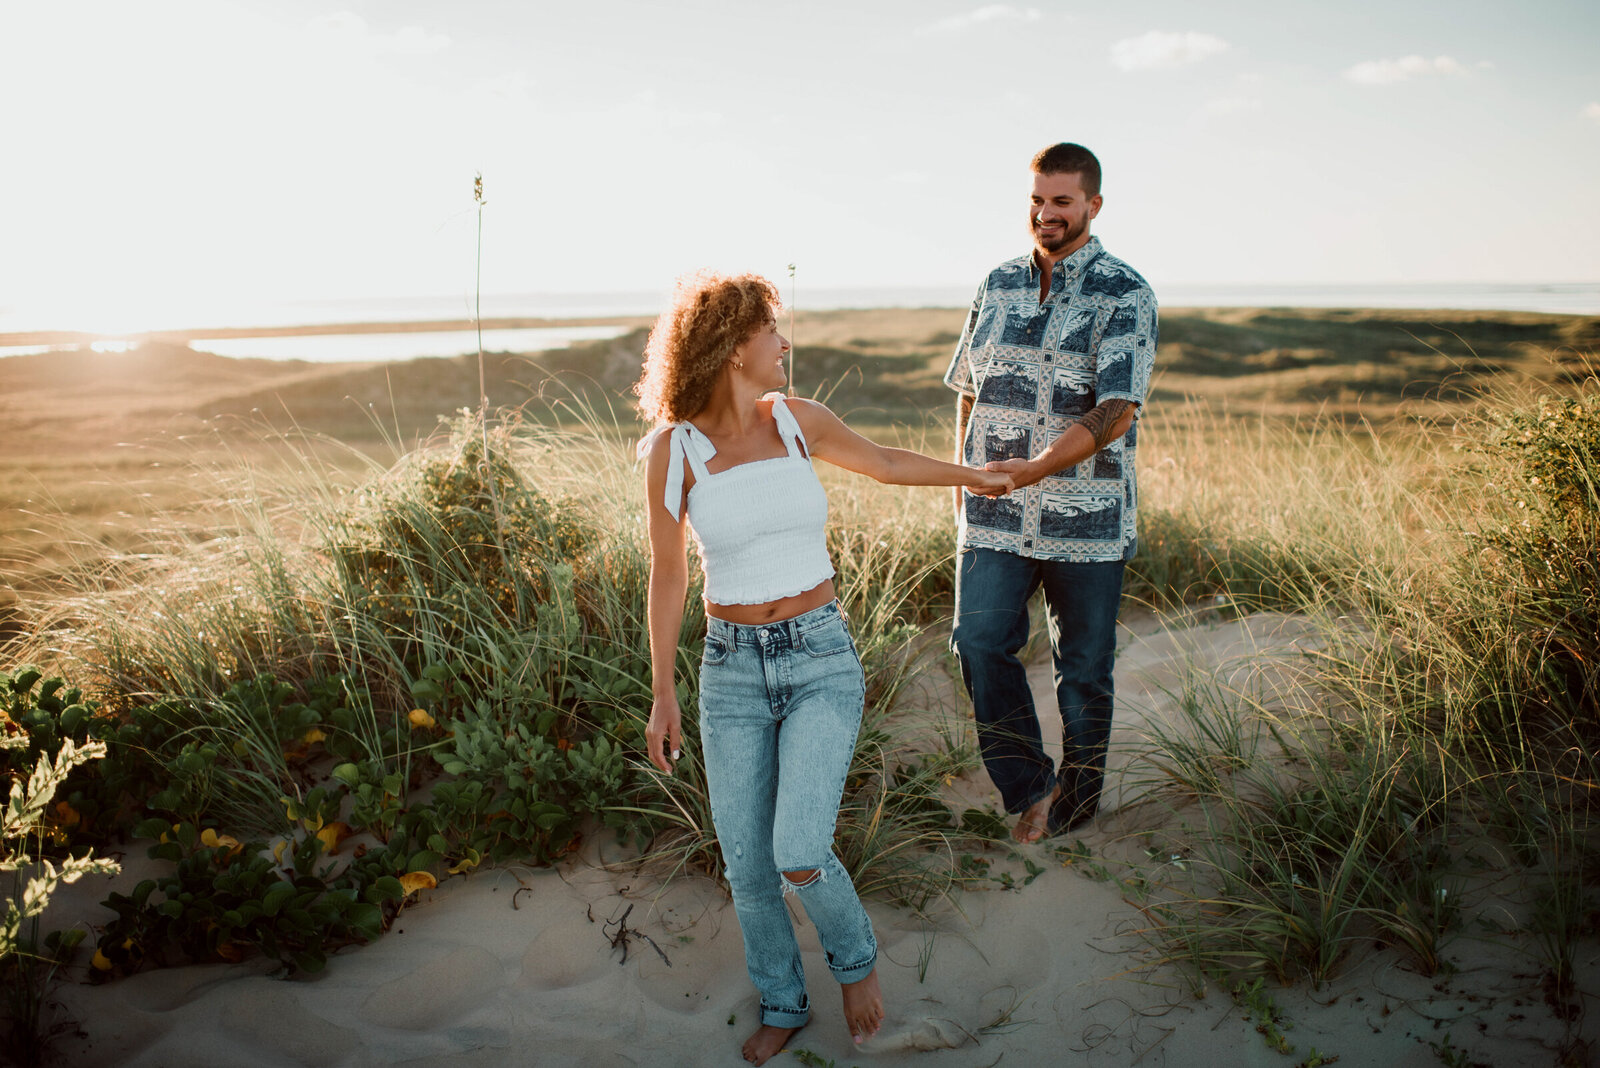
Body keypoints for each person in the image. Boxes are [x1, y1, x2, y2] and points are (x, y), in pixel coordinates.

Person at [636, 271, 1014, 1065]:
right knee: (746, 864)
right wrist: (664, 691)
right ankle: (782, 999)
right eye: (773, 332)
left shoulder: (800, 421)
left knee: (798, 849)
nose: (785, 345)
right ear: (732, 348)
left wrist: (974, 476)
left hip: (818, 657)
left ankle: (856, 966)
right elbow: (667, 573)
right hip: (731, 669)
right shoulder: (673, 452)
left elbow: (884, 462)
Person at [944, 142, 1158, 844]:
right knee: (978, 643)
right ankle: (1032, 784)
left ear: (1093, 205)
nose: (1045, 214)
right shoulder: (996, 284)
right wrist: (961, 482)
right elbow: (969, 393)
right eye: (1037, 200)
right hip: (994, 515)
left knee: (1085, 671)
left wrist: (1036, 469)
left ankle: (1079, 803)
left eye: (1061, 201)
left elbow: (1115, 410)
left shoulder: (1126, 293)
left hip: (1086, 520)